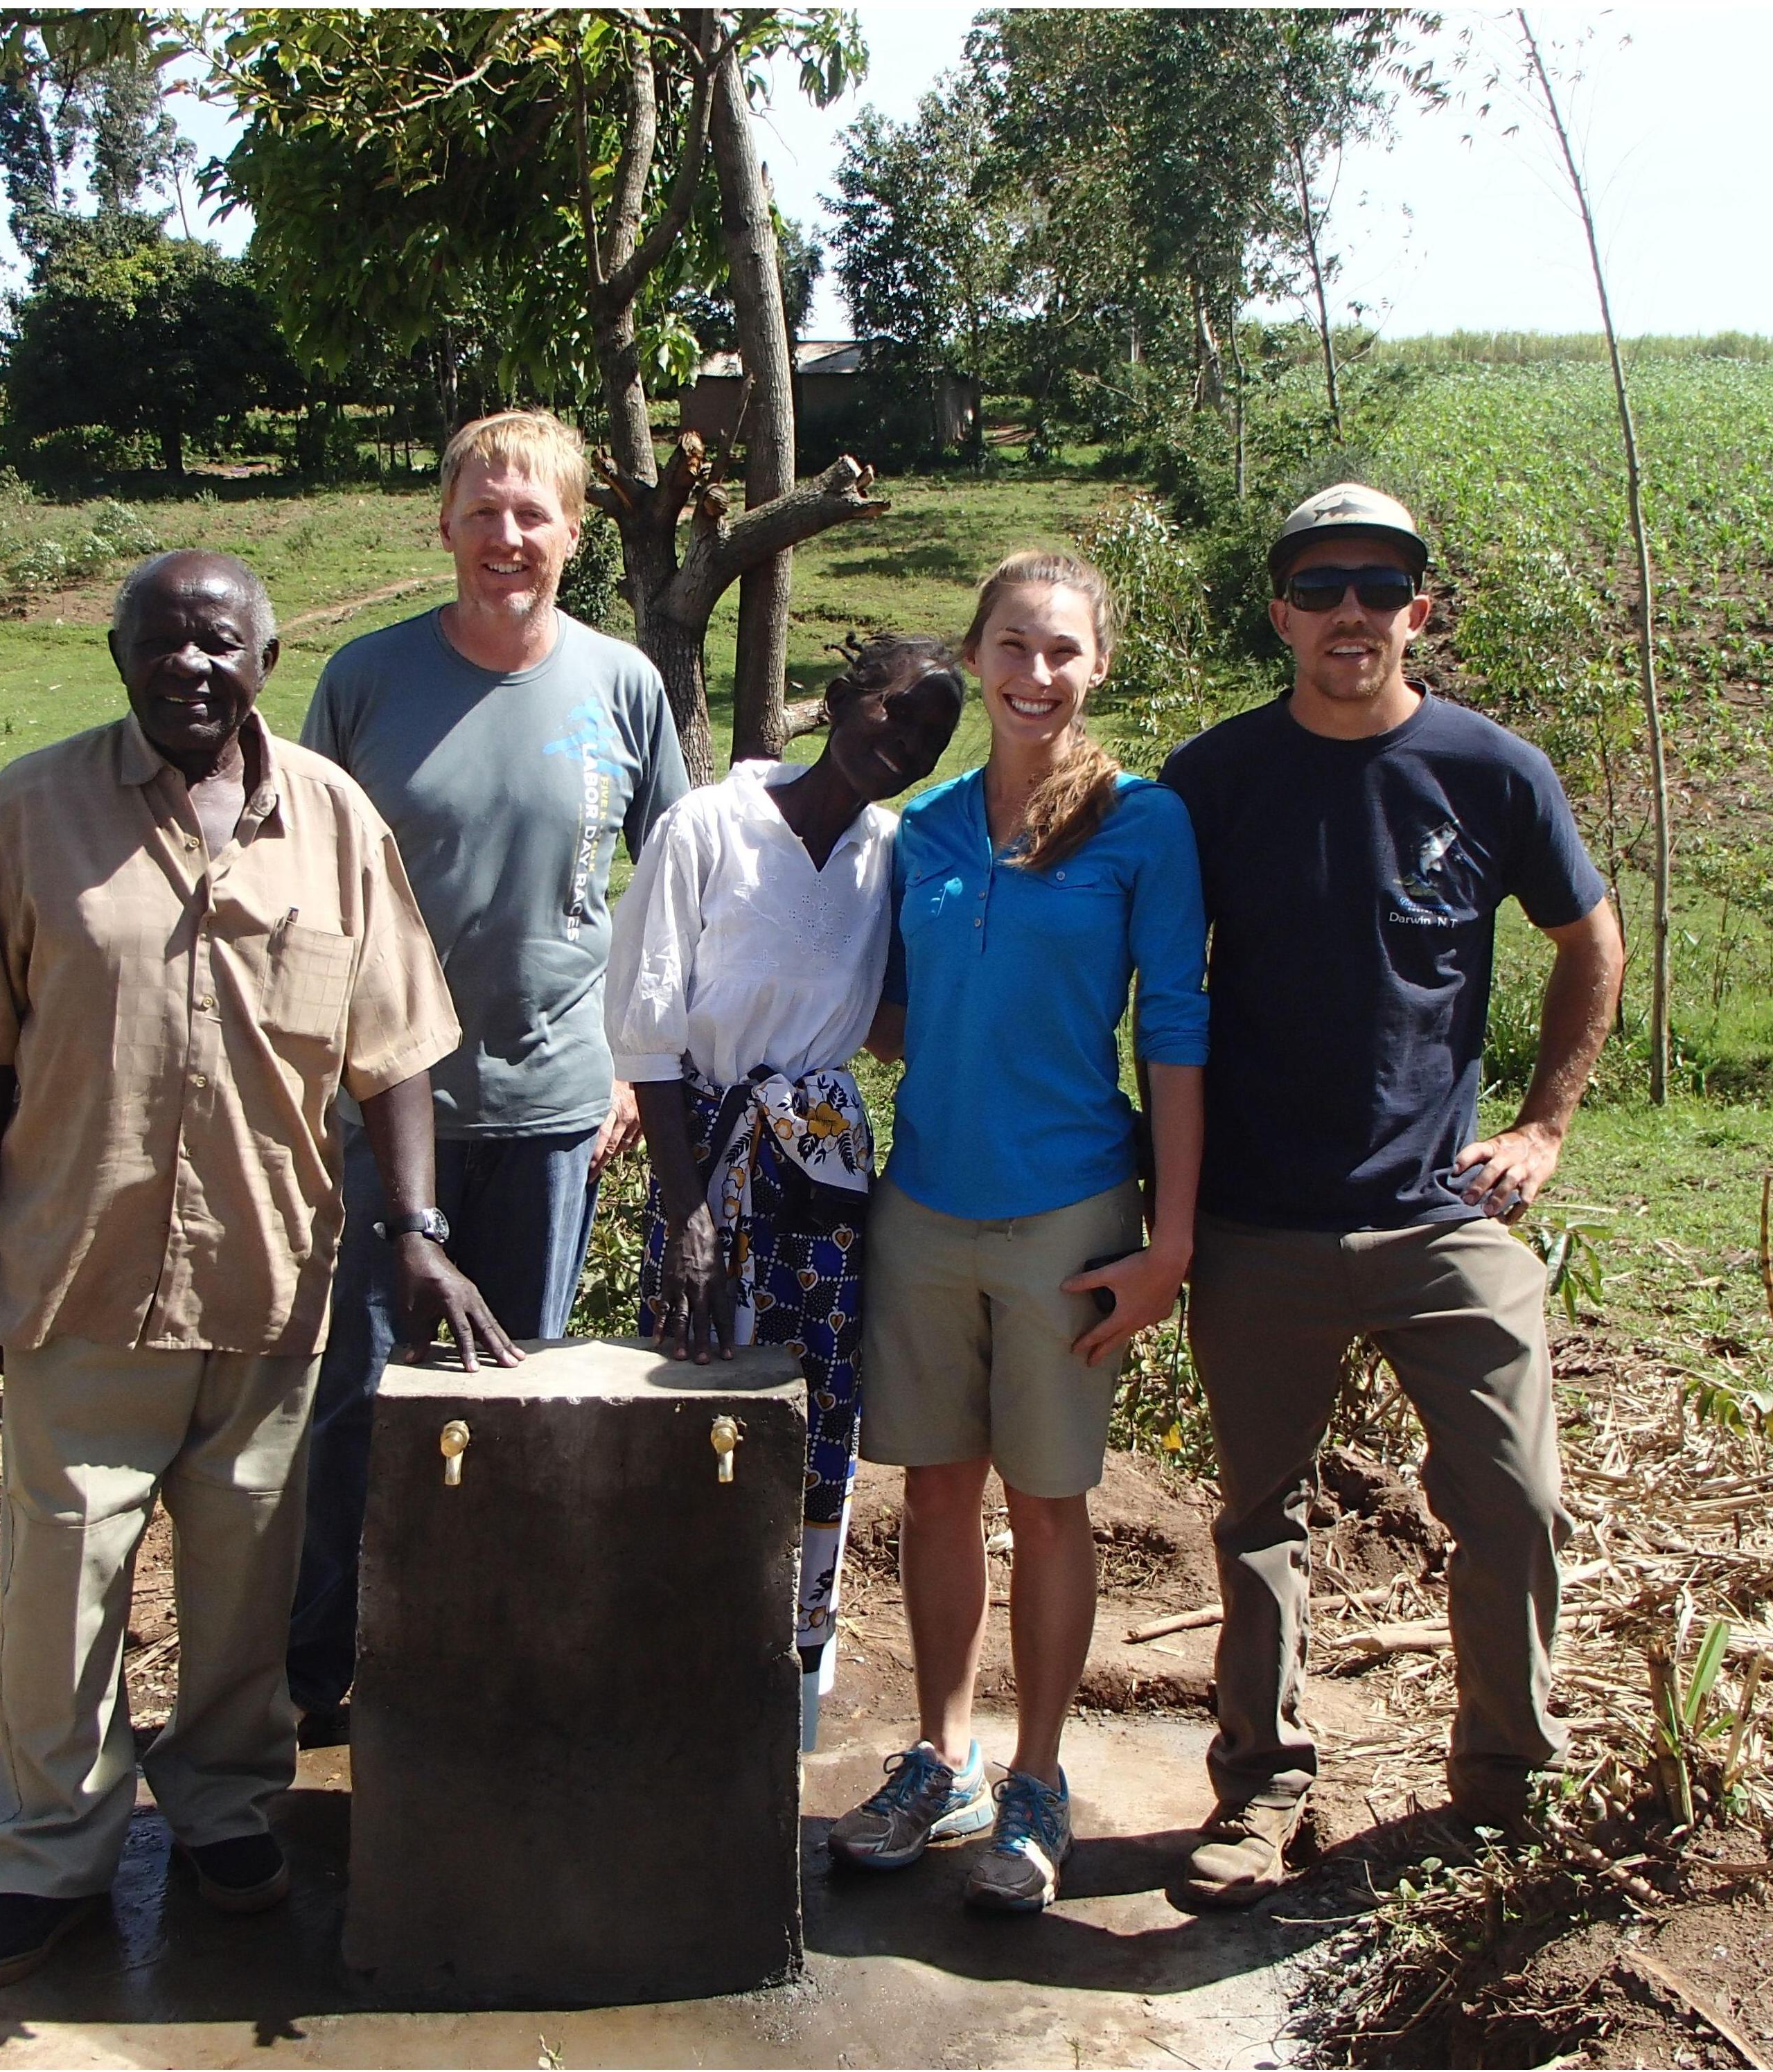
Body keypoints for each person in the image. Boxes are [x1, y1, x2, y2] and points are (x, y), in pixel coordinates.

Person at [0, 551, 492, 1991]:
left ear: (265, 659)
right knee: (61, 1592)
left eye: (216, 644)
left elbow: (395, 1047)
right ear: (119, 656)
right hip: (76, 1271)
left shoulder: (334, 822)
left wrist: (413, 1229)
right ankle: (45, 1852)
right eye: (160, 645)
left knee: (243, 1588)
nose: (189, 669)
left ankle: (224, 1808)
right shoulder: (30, 810)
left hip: (269, 1279)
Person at [1159, 484, 1625, 1909]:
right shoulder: (1210, 778)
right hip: (1255, 1218)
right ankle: (1262, 1785)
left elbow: (1585, 939)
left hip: (1442, 1214)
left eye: (1379, 584)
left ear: (1417, 608)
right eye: (1319, 585)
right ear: (1279, 613)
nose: (1349, 610)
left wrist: (1541, 1127)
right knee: (1256, 1518)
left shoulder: (1491, 772)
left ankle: (1499, 1781)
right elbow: (1152, 978)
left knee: (1511, 1498)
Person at [285, 409, 689, 1737]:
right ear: (444, 520)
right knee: (357, 1399)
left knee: (520, 1394)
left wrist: (636, 1059)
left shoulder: (620, 685)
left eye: (536, 514)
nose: (507, 537)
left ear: (575, 533)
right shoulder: (367, 681)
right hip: (377, 1109)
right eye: (484, 509)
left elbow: (666, 889)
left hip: (554, 1103)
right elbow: (304, 885)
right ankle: (325, 1667)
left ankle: (496, 1658)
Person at [827, 551, 1209, 1913]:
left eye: (1060, 650)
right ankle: (945, 1755)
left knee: (1048, 1506)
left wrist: (1167, 1241)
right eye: (1010, 646)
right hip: (925, 1201)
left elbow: (1171, 1027)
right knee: (933, 1489)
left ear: (1095, 663)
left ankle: (1037, 1777)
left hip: (1068, 1211)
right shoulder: (920, 829)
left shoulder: (1139, 823)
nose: (1033, 674)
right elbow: (876, 1006)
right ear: (975, 659)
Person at [604, 636, 966, 1751]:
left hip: (823, 1173)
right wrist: (690, 1219)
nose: (901, 747)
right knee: (697, 1392)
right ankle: (673, 1676)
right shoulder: (708, 826)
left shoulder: (890, 853)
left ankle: (787, 1691)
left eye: (930, 740)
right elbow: (653, 1032)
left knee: (817, 1412)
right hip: (708, 1157)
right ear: (842, 697)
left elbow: (904, 1015)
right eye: (893, 715)